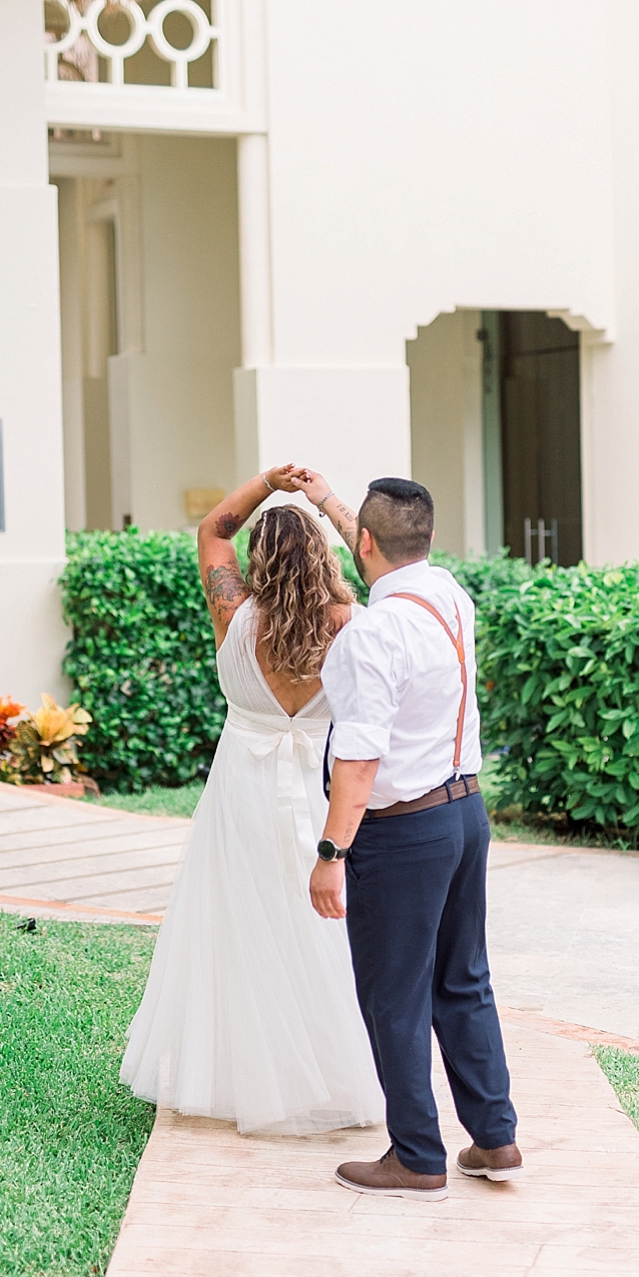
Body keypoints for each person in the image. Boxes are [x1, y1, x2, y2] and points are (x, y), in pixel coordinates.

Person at [119, 467, 384, 1136]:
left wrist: (269, 483)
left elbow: (213, 528)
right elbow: (376, 558)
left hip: (240, 789)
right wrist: (321, 499)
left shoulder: (233, 613)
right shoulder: (351, 624)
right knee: (323, 927)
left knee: (243, 927)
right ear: (326, 554)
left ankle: (249, 1080)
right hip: (321, 791)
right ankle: (337, 1073)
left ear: (257, 560)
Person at [296, 471, 521, 1199]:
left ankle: (417, 1154)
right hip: (465, 814)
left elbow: (358, 760)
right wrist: (330, 501)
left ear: (364, 542)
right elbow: (382, 546)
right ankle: (494, 1136)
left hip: (403, 832)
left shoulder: (371, 634)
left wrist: (330, 855)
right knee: (464, 979)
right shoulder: (450, 596)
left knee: (394, 994)